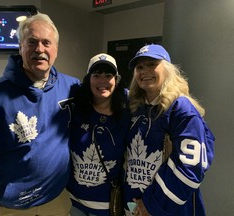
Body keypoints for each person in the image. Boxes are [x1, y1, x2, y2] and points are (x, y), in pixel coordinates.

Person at [0, 12, 80, 216]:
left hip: (56, 199)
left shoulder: (71, 88)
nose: (40, 49)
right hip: (14, 207)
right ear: (20, 47)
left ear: (56, 49)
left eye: (46, 43)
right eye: (32, 42)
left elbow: (104, 96)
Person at [123, 44, 215, 216]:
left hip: (166, 208)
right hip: (134, 204)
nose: (144, 71)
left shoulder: (181, 108)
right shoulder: (136, 107)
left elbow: (191, 167)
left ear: (167, 69)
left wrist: (151, 205)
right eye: (140, 67)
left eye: (152, 64)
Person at [67, 53, 130, 216]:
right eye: (96, 75)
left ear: (116, 80)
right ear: (88, 80)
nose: (102, 81)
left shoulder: (127, 114)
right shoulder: (76, 111)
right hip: (74, 202)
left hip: (106, 206)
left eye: (108, 75)